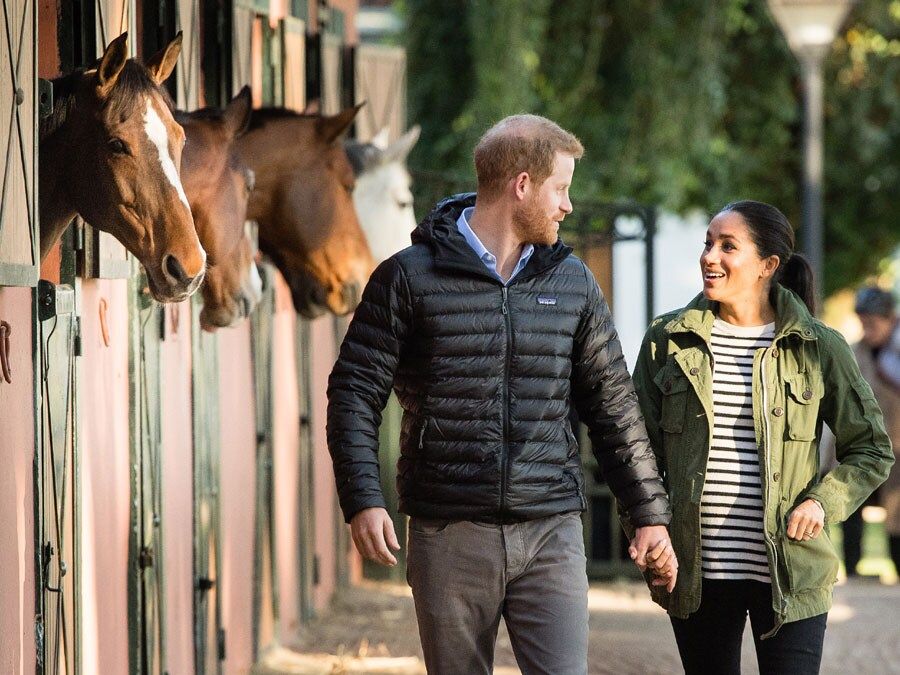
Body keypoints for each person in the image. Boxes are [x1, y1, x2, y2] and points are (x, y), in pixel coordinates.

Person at [327, 114, 676, 674]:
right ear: (521, 184)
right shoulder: (408, 278)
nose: (567, 205)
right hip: (448, 532)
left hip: (551, 531)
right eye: (560, 188)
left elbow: (613, 405)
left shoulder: (572, 283)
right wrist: (364, 498)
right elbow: (354, 391)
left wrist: (649, 513)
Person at [631, 200, 894, 674]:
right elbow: (634, 453)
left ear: (768, 266)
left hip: (791, 573)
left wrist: (822, 502)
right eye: (708, 243)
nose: (710, 256)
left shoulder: (819, 346)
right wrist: (645, 531)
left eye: (728, 246)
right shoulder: (666, 341)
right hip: (698, 575)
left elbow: (871, 448)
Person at [847, 287, 900, 576]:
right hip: (865, 446)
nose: (867, 330)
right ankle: (852, 571)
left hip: (899, 447)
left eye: (873, 323)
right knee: (850, 500)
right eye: (863, 323)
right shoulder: (855, 353)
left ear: (891, 319)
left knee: (898, 517)